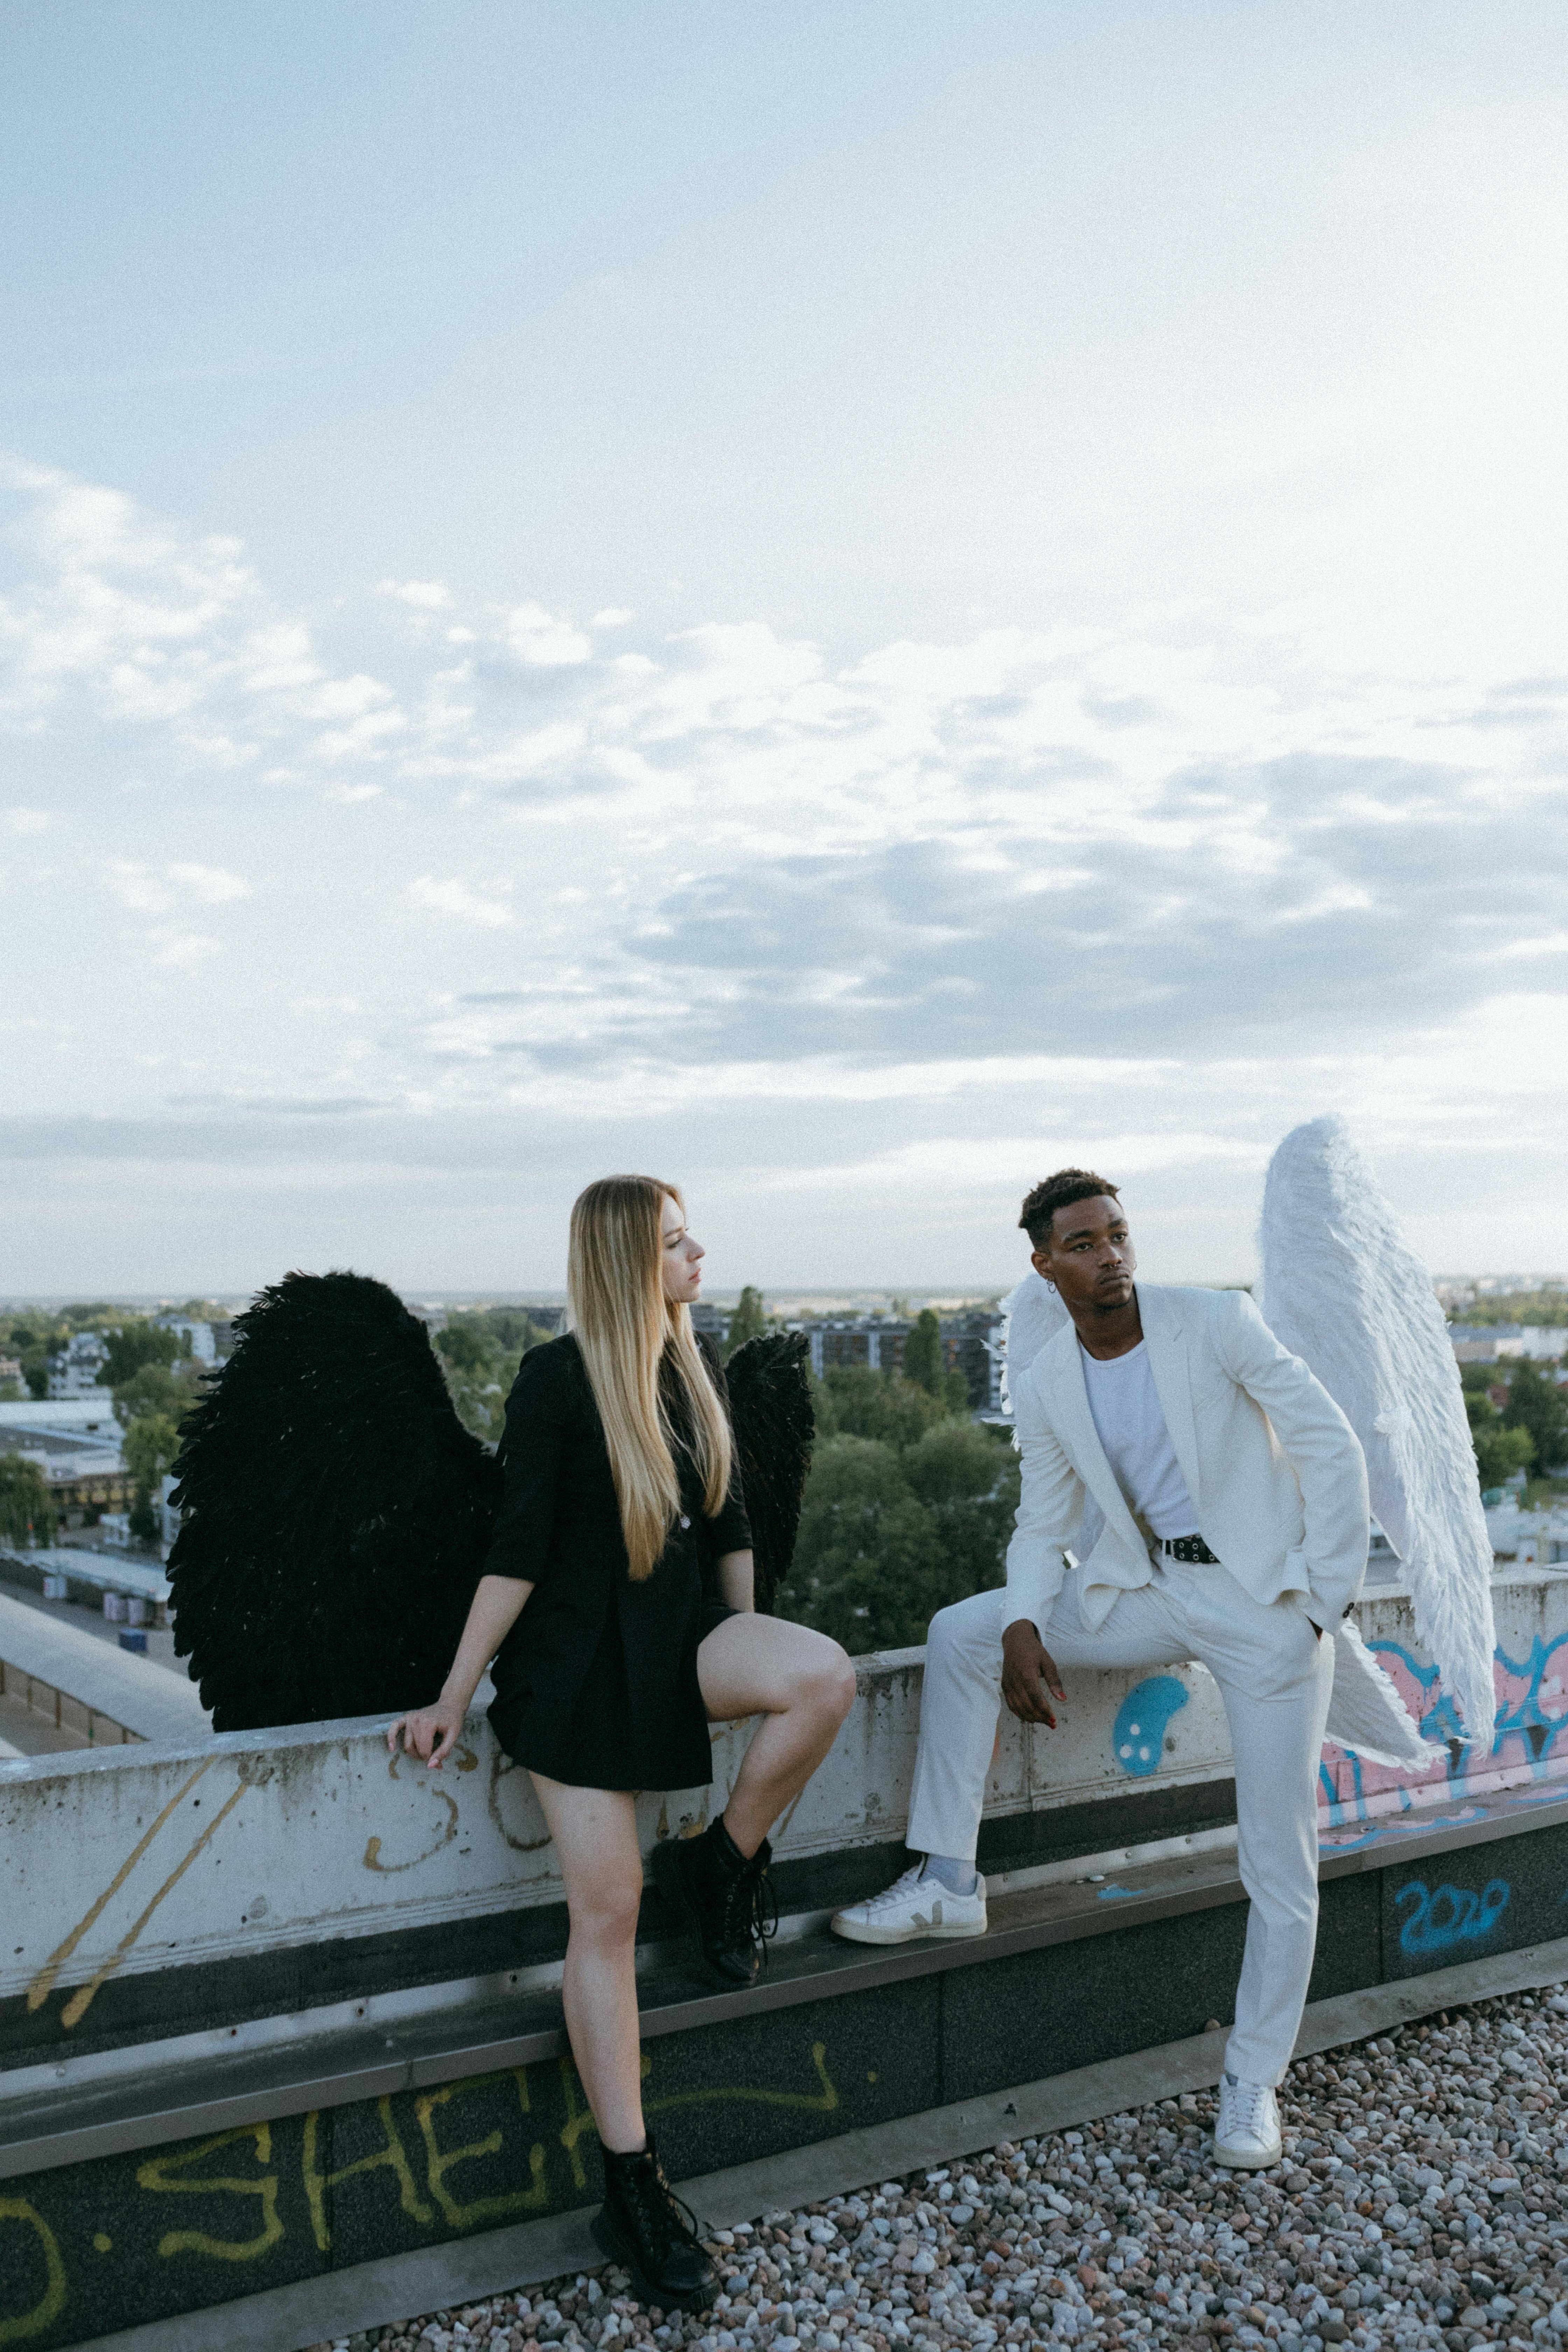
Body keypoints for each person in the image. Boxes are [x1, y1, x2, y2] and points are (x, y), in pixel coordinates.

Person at [830, 1167, 1368, 2173]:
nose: (1109, 1254)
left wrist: (1321, 1602)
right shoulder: (1047, 1384)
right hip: (1151, 1590)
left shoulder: (1216, 1323)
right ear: (1044, 1265)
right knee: (964, 1631)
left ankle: (1254, 2079)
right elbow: (1043, 1523)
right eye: (1083, 1243)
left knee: (1279, 1859)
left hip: (1265, 1611)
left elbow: (1329, 1444)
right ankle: (949, 1876)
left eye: (1118, 1234)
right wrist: (1026, 1620)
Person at [390, 1176, 856, 2309]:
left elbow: (733, 1523)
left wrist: (747, 1638)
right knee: (607, 1913)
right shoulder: (557, 1378)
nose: (701, 1256)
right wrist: (454, 1690)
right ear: (625, 1262)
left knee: (822, 1676)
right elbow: (518, 1547)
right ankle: (632, 2183)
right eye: (678, 1243)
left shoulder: (693, 1370)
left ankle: (725, 1860)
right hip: (580, 1665)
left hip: (681, 1635)